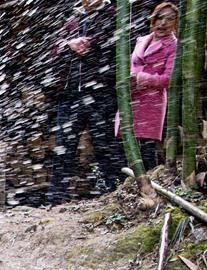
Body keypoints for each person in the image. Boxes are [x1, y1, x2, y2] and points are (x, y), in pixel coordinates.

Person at [47, 0, 126, 206]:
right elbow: (53, 53)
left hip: (101, 93)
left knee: (106, 148)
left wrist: (94, 43)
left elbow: (122, 48)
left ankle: (115, 196)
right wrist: (69, 45)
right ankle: (56, 200)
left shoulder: (113, 14)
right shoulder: (72, 21)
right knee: (63, 148)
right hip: (70, 95)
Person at [115, 2, 179, 170]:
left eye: (170, 19)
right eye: (160, 17)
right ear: (153, 19)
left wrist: (140, 78)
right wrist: (127, 80)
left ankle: (149, 181)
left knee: (146, 149)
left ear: (176, 22)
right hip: (130, 97)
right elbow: (131, 65)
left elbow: (168, 79)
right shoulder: (142, 40)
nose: (163, 23)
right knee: (125, 146)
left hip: (151, 102)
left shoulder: (174, 46)